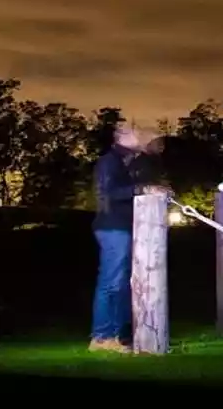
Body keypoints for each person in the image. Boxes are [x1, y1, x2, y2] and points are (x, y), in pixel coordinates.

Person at [89, 124, 165, 353]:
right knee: (111, 281)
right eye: (133, 132)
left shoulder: (128, 161)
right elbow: (108, 192)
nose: (138, 134)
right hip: (112, 227)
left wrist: (148, 186)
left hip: (124, 227)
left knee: (121, 282)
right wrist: (143, 189)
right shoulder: (109, 161)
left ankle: (119, 335)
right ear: (120, 137)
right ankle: (101, 337)